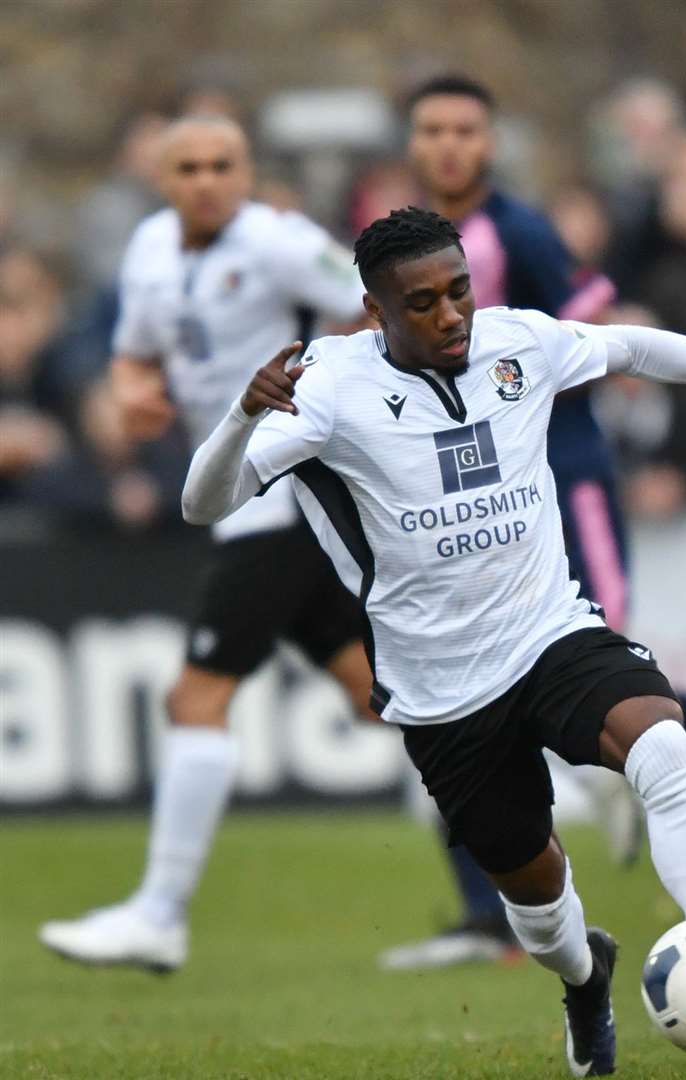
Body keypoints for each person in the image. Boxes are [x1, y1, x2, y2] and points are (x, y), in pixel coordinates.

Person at [180, 206, 686, 1074]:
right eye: (422, 302)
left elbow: (635, 348)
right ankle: (584, 978)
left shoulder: (518, 343)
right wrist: (241, 414)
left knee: (664, 748)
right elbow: (204, 505)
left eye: (459, 290)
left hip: (549, 633)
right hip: (439, 690)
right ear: (375, 309)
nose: (452, 313)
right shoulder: (326, 390)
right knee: (537, 900)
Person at [383, 74, 686, 972]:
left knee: (599, 665)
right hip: (463, 499)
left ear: (490, 142)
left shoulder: (520, 233)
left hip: (561, 479)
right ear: (411, 143)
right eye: (432, 129)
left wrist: (665, 451)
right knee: (463, 683)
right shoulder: (411, 252)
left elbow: (603, 340)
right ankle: (495, 905)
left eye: (465, 128)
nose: (449, 145)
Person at [38, 115, 374, 973]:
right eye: (188, 167)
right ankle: (562, 783)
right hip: (228, 496)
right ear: (163, 178)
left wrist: (333, 397)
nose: (207, 181)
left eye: (224, 165)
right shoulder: (151, 249)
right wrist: (131, 394)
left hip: (281, 495)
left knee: (194, 702)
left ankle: (159, 913)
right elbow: (133, 358)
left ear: (247, 170)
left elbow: (371, 302)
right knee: (382, 696)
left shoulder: (279, 242)